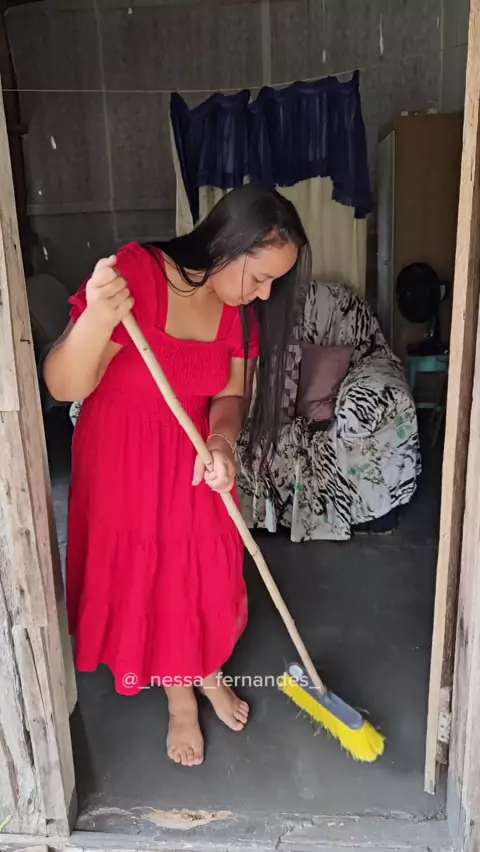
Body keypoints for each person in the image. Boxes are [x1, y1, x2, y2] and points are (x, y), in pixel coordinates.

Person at [44, 184, 311, 767]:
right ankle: (182, 699)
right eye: (261, 276)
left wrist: (221, 441)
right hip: (125, 460)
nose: (266, 293)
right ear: (229, 245)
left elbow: (232, 395)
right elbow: (64, 385)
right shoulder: (140, 273)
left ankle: (205, 669)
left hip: (196, 457)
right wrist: (97, 317)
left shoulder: (241, 314)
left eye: (275, 282)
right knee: (155, 574)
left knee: (205, 571)